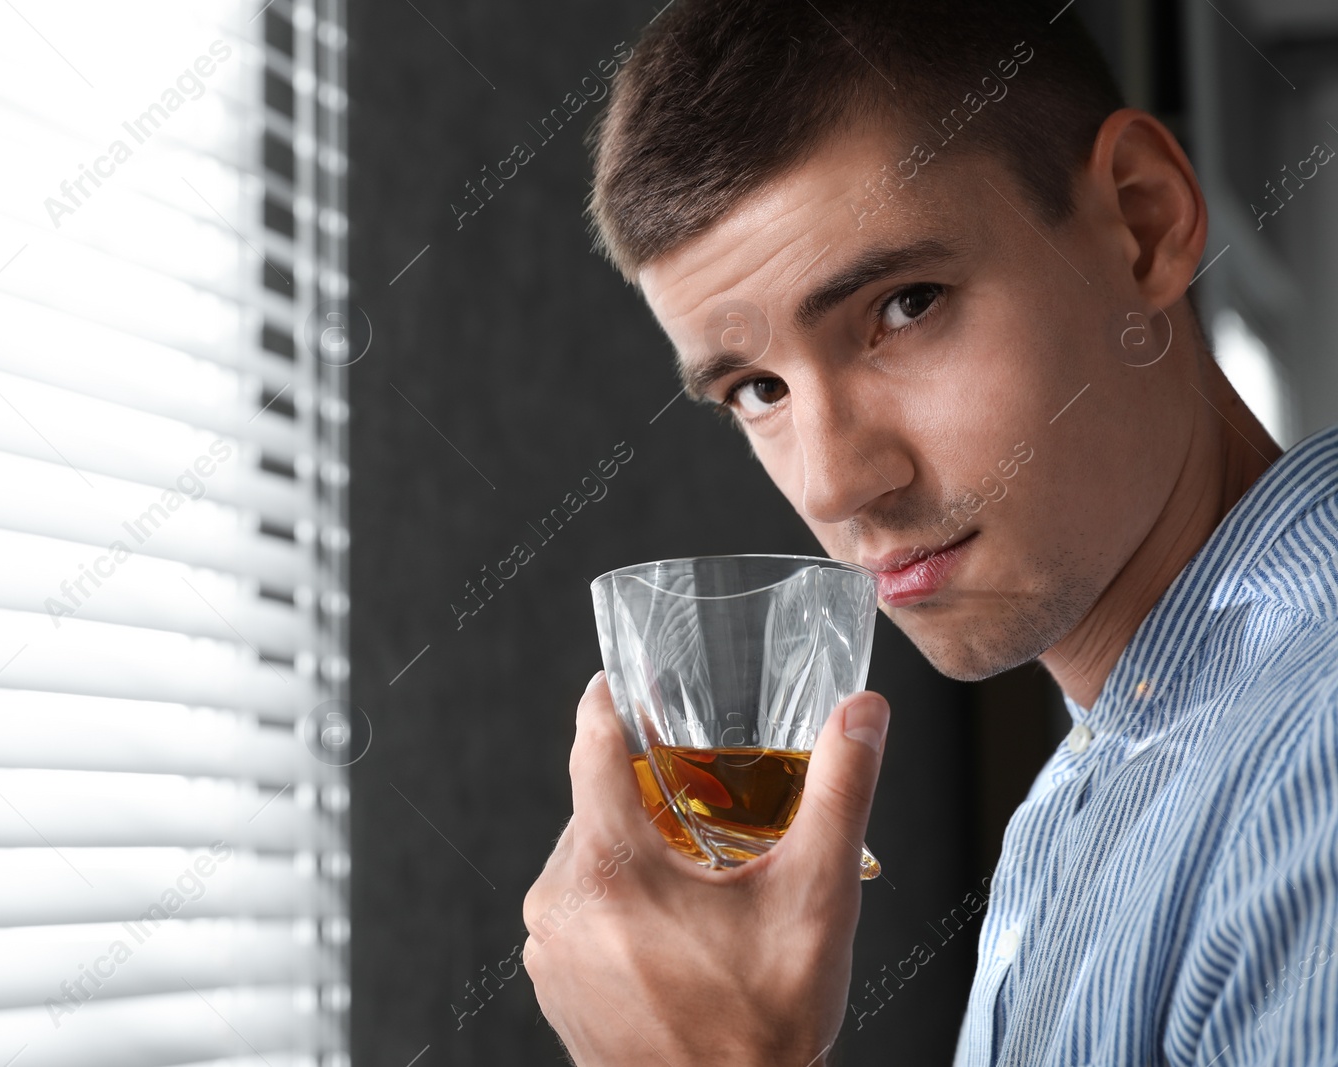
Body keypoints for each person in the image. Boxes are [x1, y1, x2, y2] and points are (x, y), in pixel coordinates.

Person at [521, 1, 1338, 1063]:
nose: (833, 482)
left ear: (1140, 223)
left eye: (904, 306)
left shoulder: (1310, 766)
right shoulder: (1099, 777)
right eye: (756, 386)